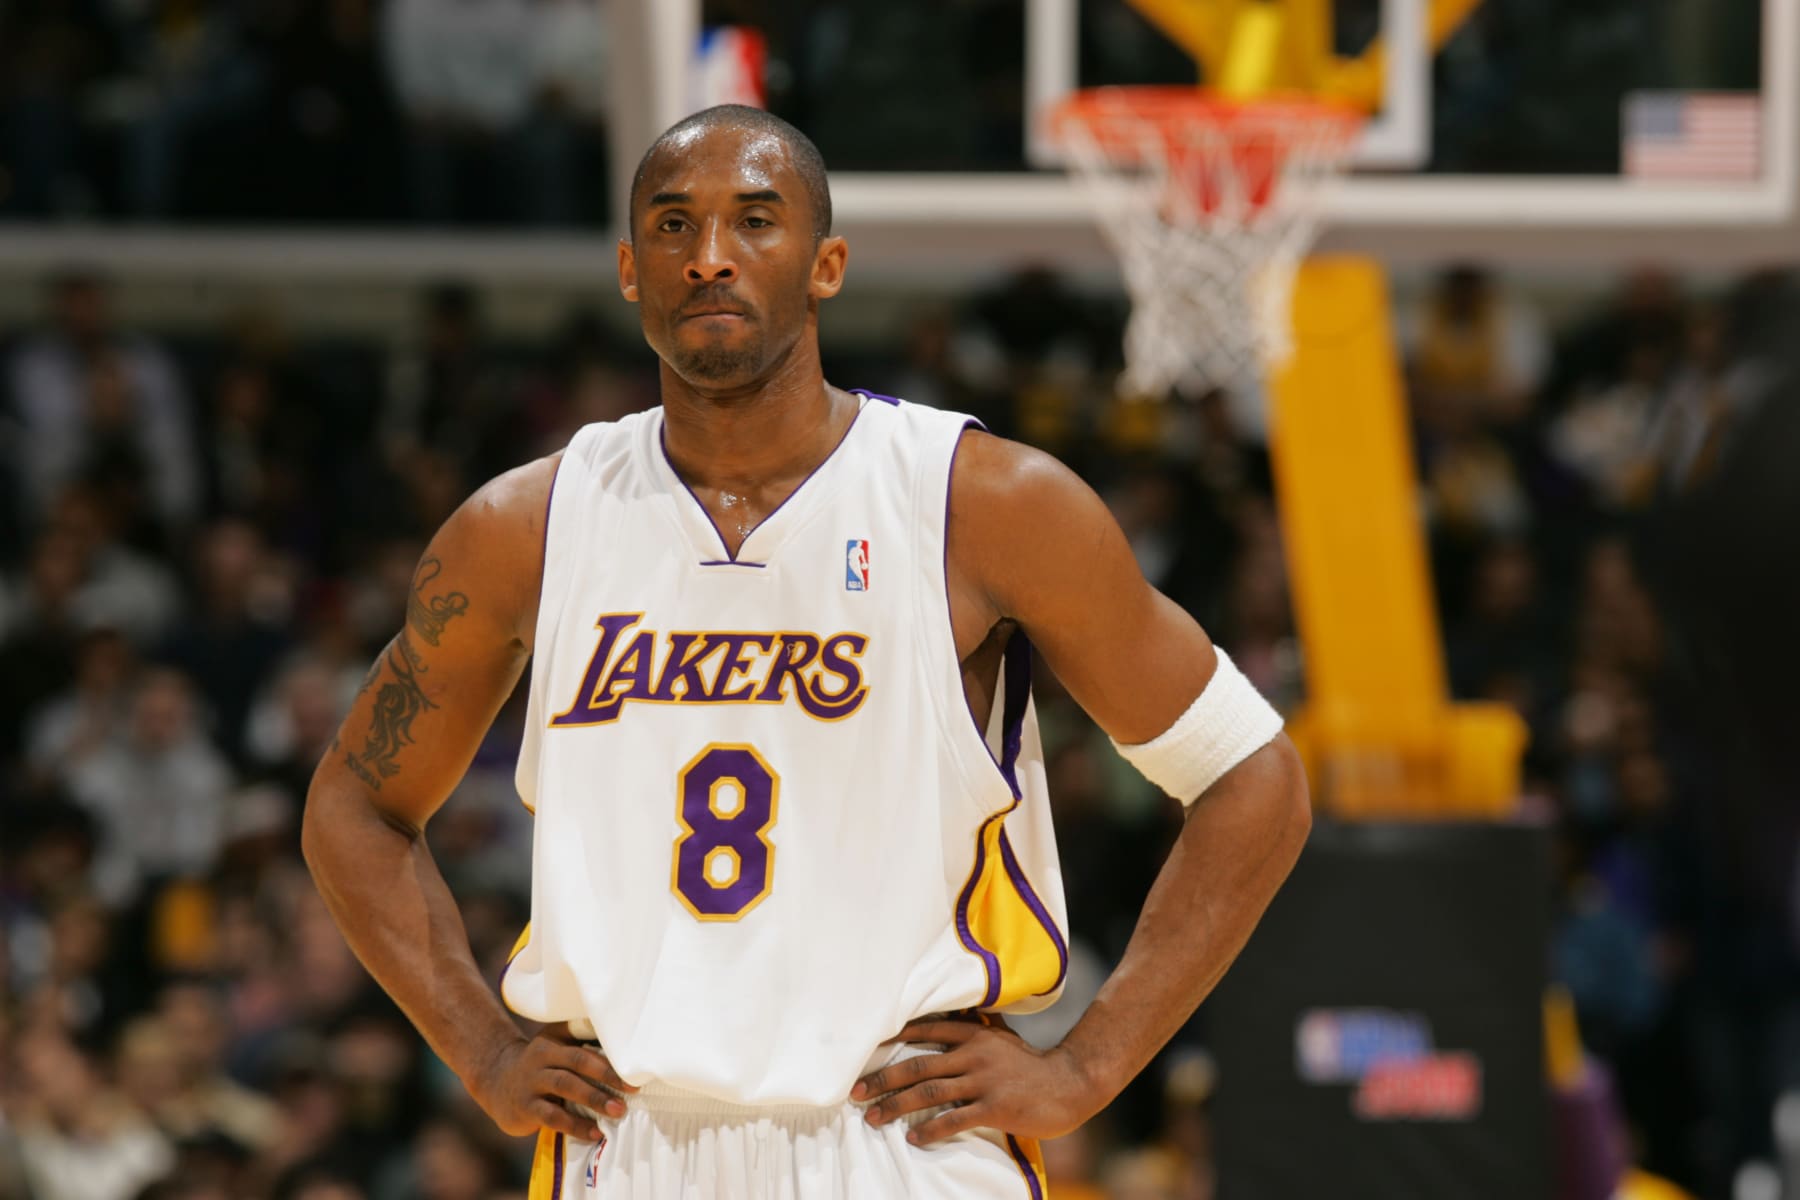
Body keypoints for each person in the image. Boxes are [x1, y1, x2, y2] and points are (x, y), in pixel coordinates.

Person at [302, 105, 1311, 1198]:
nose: (712, 257)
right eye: (675, 226)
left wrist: (1089, 1065)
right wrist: (481, 1048)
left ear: (827, 264)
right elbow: (354, 809)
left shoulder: (983, 505)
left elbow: (1255, 776)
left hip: (899, 1133)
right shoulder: (521, 530)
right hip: (629, 1140)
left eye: (755, 220)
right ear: (631, 270)